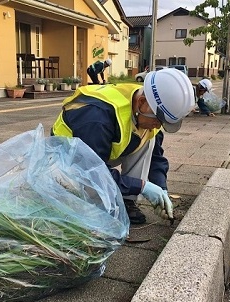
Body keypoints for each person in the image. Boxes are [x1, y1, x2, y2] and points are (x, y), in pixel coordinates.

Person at [52, 68, 195, 224]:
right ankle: (95, 200)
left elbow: (156, 157)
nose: (157, 126)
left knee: (149, 140)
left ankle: (127, 200)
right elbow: (93, 171)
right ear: (141, 103)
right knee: (87, 204)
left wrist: (161, 189)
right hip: (67, 160)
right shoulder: (97, 117)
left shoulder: (147, 103)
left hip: (99, 154)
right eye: (158, 120)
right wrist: (141, 186)